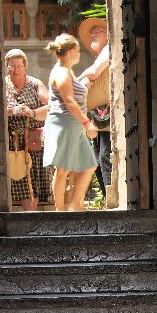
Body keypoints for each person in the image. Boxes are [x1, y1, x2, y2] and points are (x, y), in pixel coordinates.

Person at [43, 34, 98, 212]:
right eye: (78, 50)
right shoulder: (61, 72)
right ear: (72, 51)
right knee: (62, 169)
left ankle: (75, 204)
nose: (80, 53)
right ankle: (60, 212)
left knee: (89, 165)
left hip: (73, 124)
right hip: (65, 122)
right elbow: (68, 100)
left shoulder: (67, 71)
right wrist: (87, 122)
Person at [4, 49, 52, 211]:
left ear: (25, 66)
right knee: (18, 181)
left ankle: (31, 216)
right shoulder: (2, 85)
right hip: (12, 142)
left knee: (33, 181)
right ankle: (25, 218)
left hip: (32, 139)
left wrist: (31, 112)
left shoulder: (35, 84)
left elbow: (51, 106)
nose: (16, 70)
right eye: (12, 66)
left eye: (19, 66)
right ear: (6, 67)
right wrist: (6, 111)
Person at [77, 18, 111, 196]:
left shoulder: (109, 49)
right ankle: (107, 197)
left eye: (97, 31)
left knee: (105, 157)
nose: (92, 35)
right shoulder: (99, 56)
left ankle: (111, 196)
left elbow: (93, 73)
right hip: (98, 119)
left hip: (108, 117)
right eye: (92, 33)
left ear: (108, 35)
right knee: (97, 160)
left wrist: (73, 83)